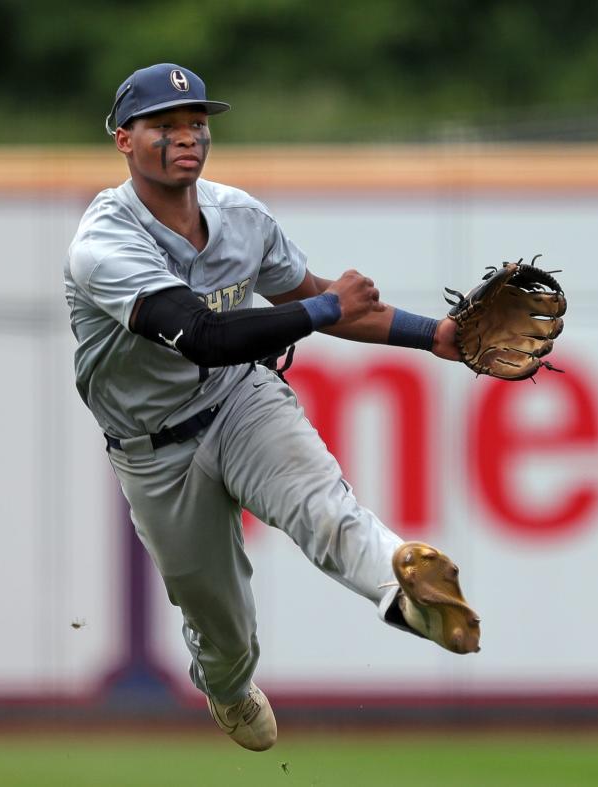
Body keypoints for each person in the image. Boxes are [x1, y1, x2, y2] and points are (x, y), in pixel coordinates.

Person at [63, 63, 480, 751]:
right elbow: (205, 334)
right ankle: (226, 686)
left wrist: (431, 336)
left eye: (196, 122)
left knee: (325, 505)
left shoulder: (240, 217)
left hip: (240, 400)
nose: (186, 136)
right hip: (153, 448)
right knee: (223, 625)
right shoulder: (105, 243)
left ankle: (405, 589)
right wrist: (321, 310)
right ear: (122, 141)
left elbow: (310, 296)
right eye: (163, 125)